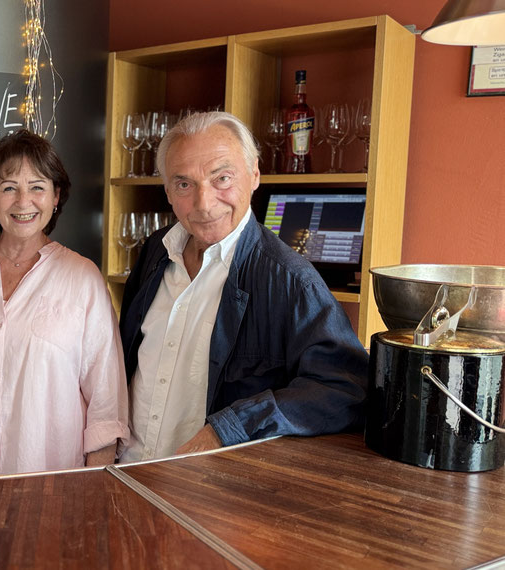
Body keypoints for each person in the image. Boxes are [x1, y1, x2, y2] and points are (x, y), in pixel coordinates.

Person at [118, 111, 367, 463]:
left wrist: (229, 427)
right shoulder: (155, 252)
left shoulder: (292, 280)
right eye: (184, 184)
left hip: (205, 485)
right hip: (126, 469)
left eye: (222, 178)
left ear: (254, 175)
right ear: (168, 191)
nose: (204, 204)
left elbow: (347, 388)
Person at [0, 130, 129, 479]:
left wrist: (94, 491)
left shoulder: (82, 279)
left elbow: (106, 403)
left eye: (37, 187)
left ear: (56, 196)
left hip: (51, 485)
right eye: (9, 188)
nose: (23, 202)